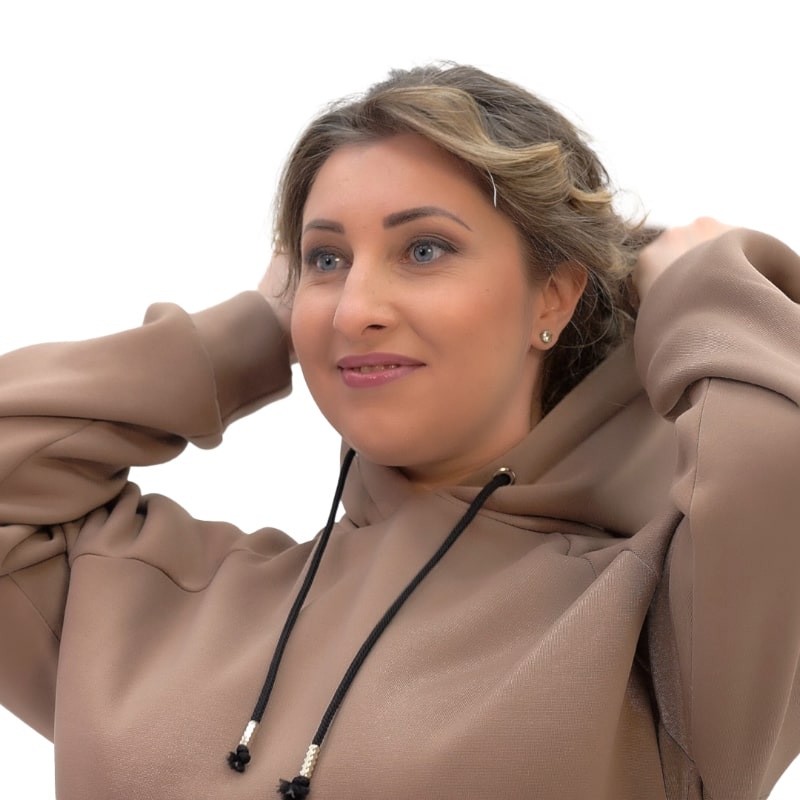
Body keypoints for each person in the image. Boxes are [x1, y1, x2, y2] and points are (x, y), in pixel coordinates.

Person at [1, 63, 799, 800]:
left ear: (552, 297)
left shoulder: (665, 624)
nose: (354, 311)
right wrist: (249, 333)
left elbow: (773, 469)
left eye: (423, 249)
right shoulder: (147, 599)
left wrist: (705, 292)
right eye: (326, 260)